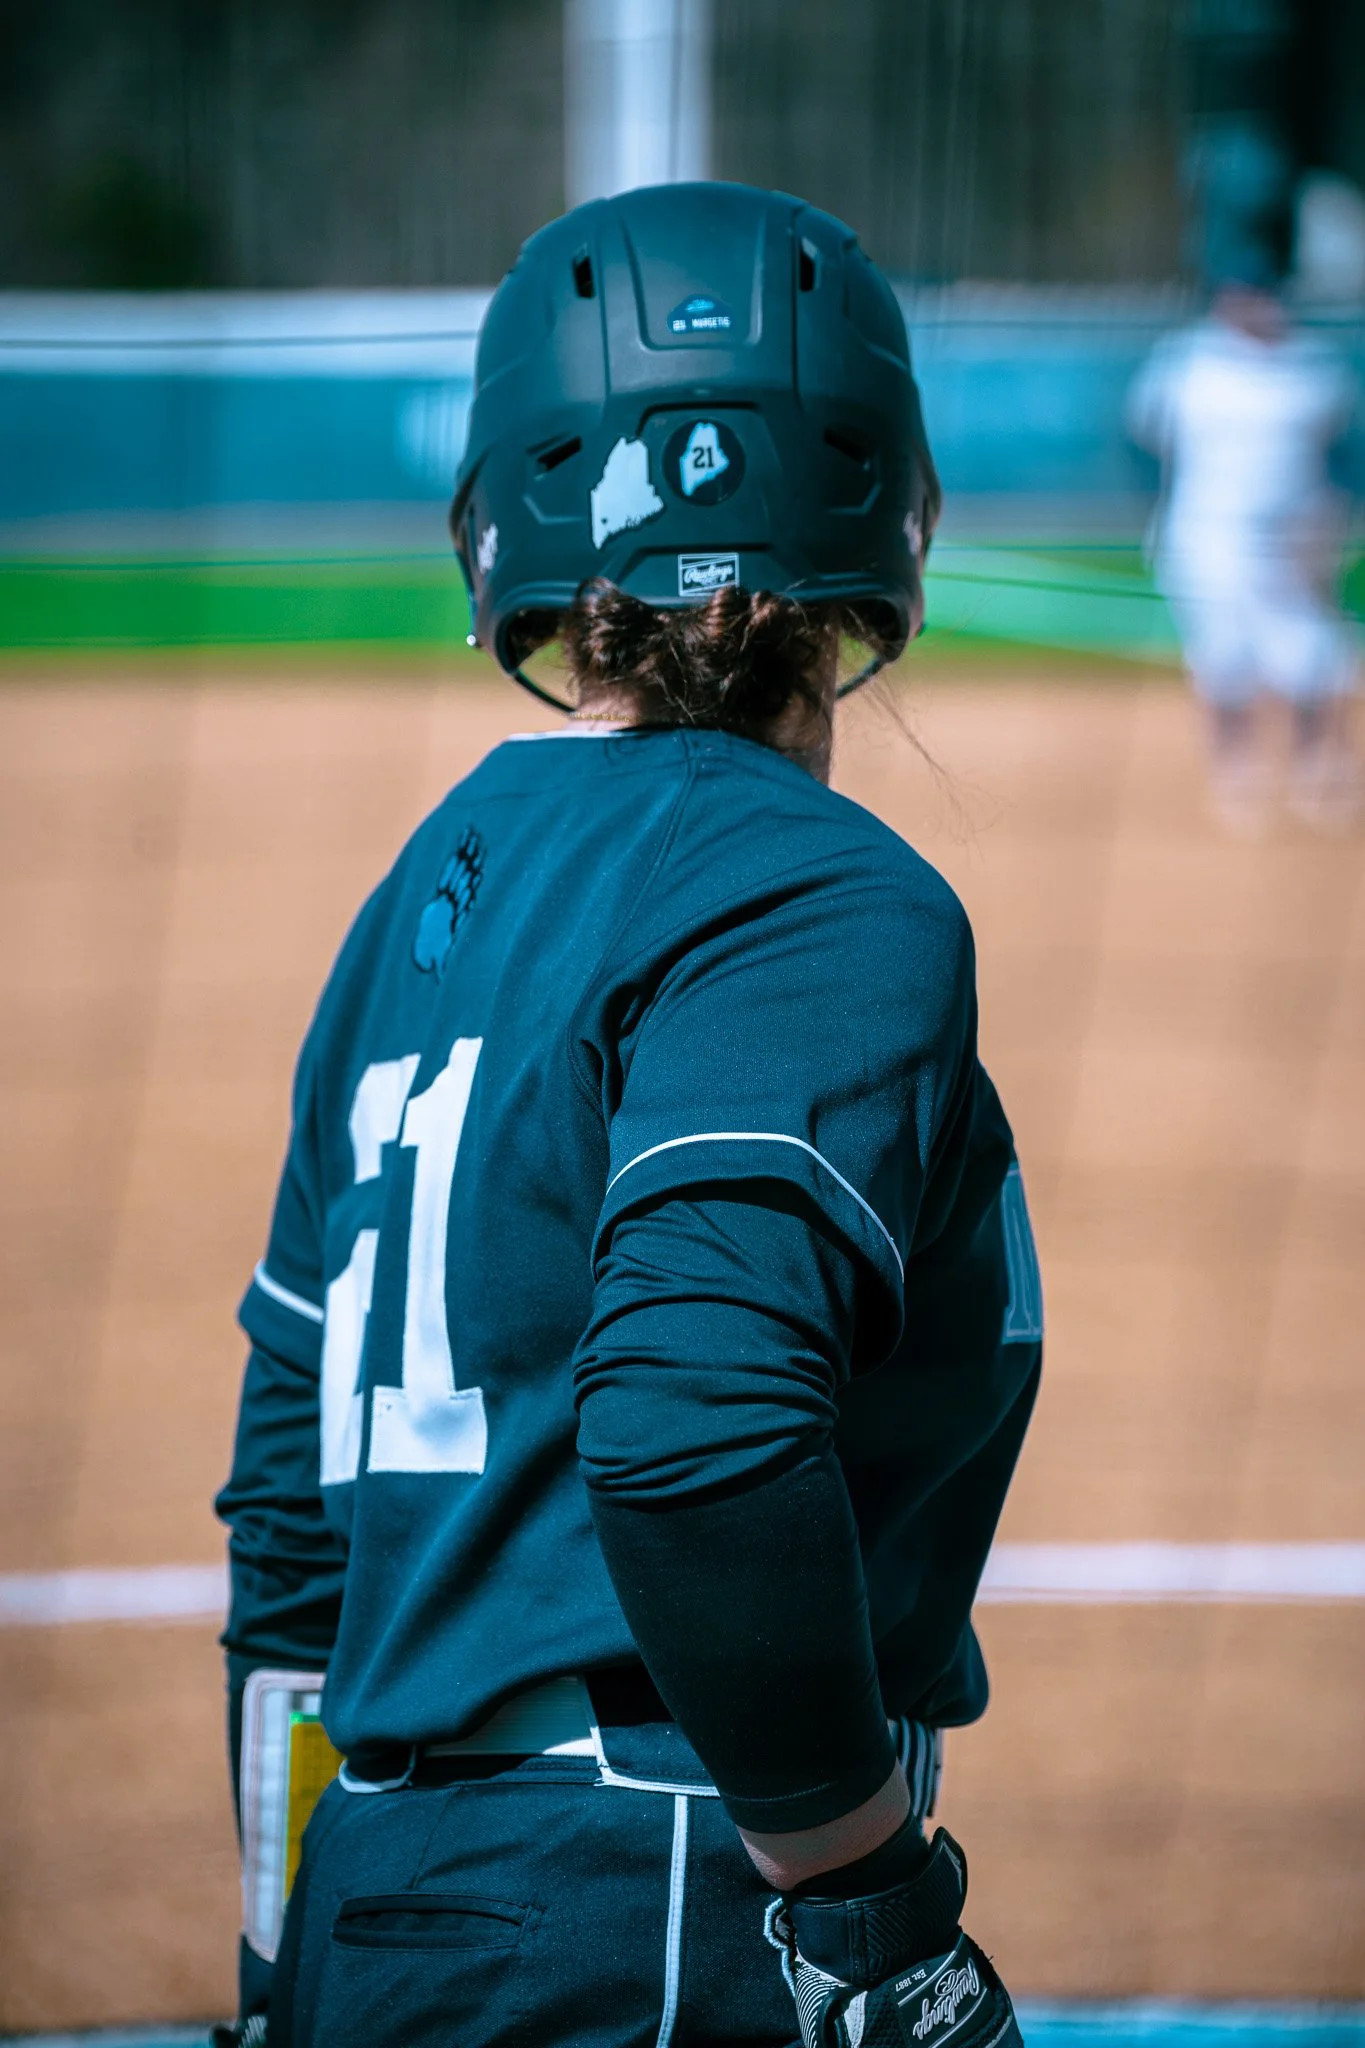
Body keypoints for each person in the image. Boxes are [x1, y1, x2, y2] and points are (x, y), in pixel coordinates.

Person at [215, 180, 1042, 2048]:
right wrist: (866, 1905)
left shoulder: (420, 899)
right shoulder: (819, 888)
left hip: (373, 1916)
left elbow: (290, 1526)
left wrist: (282, 1953)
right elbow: (693, 1424)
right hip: (652, 1921)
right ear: (875, 495)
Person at [1127, 277, 1361, 833]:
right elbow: (1144, 443)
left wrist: (1332, 523)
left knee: (1313, 656)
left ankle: (1315, 769)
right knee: (1223, 659)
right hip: (1208, 538)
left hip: (1295, 543)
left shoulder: (1315, 367)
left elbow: (1345, 455)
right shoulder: (1187, 361)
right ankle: (1237, 773)